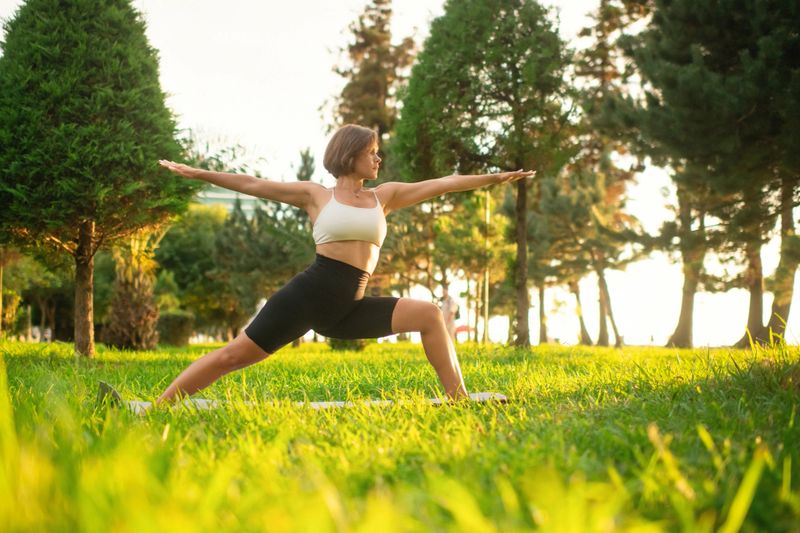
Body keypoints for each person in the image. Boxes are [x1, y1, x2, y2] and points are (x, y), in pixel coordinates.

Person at [152, 124, 534, 405]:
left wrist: (496, 177)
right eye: (372, 151)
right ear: (350, 155)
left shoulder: (385, 196)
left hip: (349, 307)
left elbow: (444, 184)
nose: (378, 158)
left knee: (430, 316)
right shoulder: (315, 195)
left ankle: (459, 399)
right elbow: (252, 184)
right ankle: (160, 405)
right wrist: (197, 173)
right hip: (308, 296)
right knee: (232, 356)